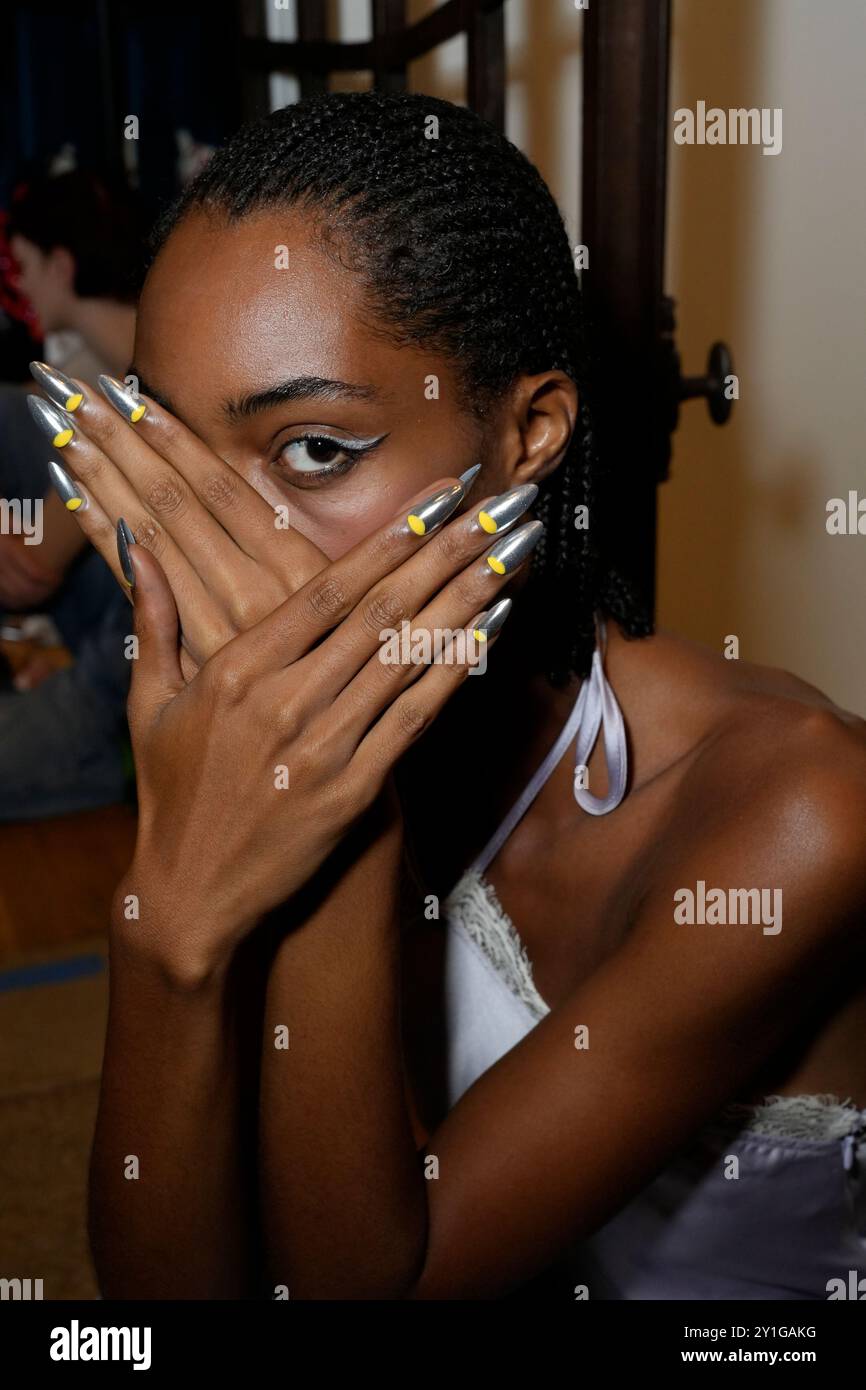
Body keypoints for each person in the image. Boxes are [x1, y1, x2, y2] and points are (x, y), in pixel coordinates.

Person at [31, 92, 866, 1300]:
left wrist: (341, 813)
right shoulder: (245, 743)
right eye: (171, 458)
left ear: (529, 434)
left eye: (314, 450)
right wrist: (169, 926)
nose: (213, 549)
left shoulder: (797, 812)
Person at [0, 171, 145, 818]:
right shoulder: (98, 366)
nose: (22, 286)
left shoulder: (154, 383)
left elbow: (29, 568)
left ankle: (94, 753)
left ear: (62, 263)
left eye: (27, 266)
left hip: (116, 686)